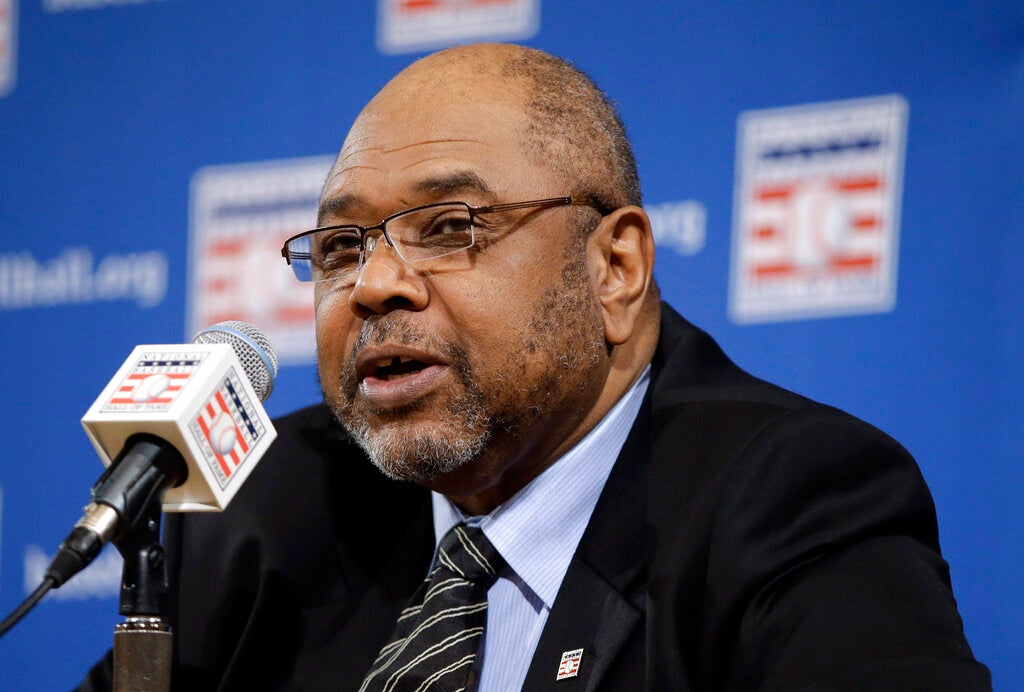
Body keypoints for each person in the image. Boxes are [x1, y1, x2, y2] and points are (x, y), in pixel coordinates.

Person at [80, 42, 989, 690]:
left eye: (449, 228)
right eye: (343, 245)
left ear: (615, 268)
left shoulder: (790, 498)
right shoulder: (270, 505)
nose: (375, 285)